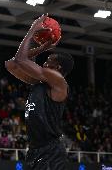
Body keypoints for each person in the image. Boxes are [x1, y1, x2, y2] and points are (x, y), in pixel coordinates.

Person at [5, 14, 74, 170]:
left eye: (49, 61)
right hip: (35, 149)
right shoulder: (40, 82)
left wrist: (32, 31)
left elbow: (22, 60)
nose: (44, 62)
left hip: (50, 150)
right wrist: (41, 48)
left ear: (58, 69)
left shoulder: (58, 82)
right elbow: (12, 64)